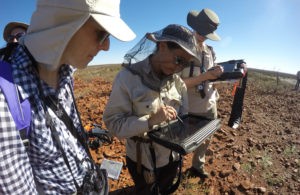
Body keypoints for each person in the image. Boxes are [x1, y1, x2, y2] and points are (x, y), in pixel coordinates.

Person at [0, 0, 135, 194]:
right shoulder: (5, 100)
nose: (106, 46)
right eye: (102, 34)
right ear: (65, 23)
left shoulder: (66, 69)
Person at [103, 24, 200, 195]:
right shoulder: (127, 78)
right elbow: (113, 124)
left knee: (165, 189)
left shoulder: (178, 83)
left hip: (171, 158)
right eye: (178, 59)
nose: (179, 68)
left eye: (184, 64)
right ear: (162, 46)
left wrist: (194, 136)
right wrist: (150, 121)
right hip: (142, 161)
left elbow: (183, 118)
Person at [178, 8, 224, 178]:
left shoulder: (210, 51)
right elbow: (176, 84)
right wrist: (204, 76)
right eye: (202, 32)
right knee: (182, 141)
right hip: (188, 108)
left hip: (210, 105)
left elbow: (212, 79)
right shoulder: (182, 51)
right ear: (194, 27)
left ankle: (198, 166)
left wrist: (222, 79)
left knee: (206, 140)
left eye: (207, 33)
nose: (203, 36)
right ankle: (174, 169)